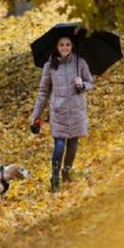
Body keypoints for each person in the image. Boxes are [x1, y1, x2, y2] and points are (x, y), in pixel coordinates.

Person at [31, 35, 94, 193]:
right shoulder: (49, 66)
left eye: (67, 44)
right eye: (61, 45)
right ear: (56, 47)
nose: (65, 47)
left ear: (72, 46)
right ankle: (55, 176)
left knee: (73, 146)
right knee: (59, 145)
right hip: (58, 111)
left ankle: (67, 171)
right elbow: (43, 92)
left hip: (76, 110)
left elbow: (90, 82)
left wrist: (82, 85)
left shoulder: (81, 63)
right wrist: (36, 114)